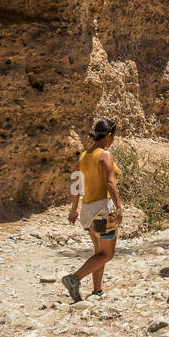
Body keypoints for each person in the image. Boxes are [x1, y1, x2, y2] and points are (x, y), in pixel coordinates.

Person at [62, 118, 124, 302]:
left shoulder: (83, 156)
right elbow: (110, 182)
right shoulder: (105, 155)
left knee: (99, 253)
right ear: (109, 136)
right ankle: (74, 279)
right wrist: (119, 207)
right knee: (107, 254)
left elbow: (76, 184)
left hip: (87, 211)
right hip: (103, 210)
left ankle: (97, 290)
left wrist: (73, 210)